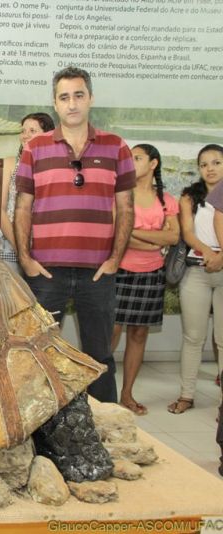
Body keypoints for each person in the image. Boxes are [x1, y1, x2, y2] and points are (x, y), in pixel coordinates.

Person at [14, 66, 136, 403]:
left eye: (78, 95)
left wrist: (114, 260)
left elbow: (126, 208)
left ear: (90, 99)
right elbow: (22, 207)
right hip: (46, 272)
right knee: (38, 355)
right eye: (64, 97)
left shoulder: (116, 147)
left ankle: (104, 433)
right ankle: (39, 436)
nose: (72, 104)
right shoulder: (35, 148)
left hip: (98, 273)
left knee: (100, 358)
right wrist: (25, 258)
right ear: (55, 103)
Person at [110, 144, 179, 415]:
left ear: (153, 164)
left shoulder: (166, 200)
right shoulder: (120, 194)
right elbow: (118, 233)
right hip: (119, 270)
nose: (131, 161)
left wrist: (136, 235)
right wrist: (153, 239)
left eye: (137, 157)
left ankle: (127, 394)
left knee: (139, 334)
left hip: (152, 273)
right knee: (110, 334)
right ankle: (98, 394)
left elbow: (173, 237)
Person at [170, 144, 223, 414]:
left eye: (216, 162)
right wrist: (210, 254)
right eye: (204, 164)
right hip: (196, 270)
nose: (210, 169)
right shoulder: (190, 197)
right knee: (193, 337)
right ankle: (187, 395)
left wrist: (221, 257)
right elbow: (187, 234)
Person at [0, 112, 55, 270]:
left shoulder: (56, 168)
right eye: (23, 131)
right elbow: (0, 210)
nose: (25, 135)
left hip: (45, 250)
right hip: (10, 245)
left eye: (32, 131)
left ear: (48, 135)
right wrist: (21, 250)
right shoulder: (10, 164)